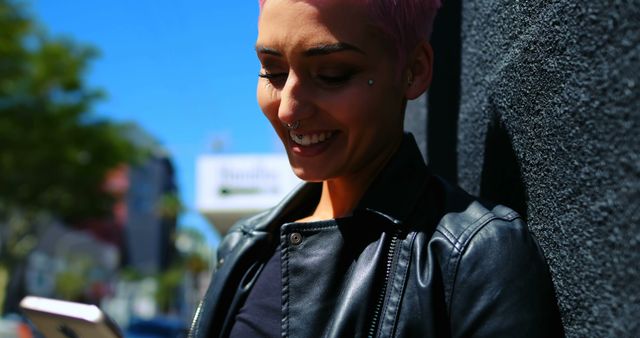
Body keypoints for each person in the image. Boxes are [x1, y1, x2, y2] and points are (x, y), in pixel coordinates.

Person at [189, 0, 565, 337]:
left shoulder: (473, 258)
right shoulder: (244, 248)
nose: (288, 108)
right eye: (273, 72)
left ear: (414, 70)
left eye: (331, 74)